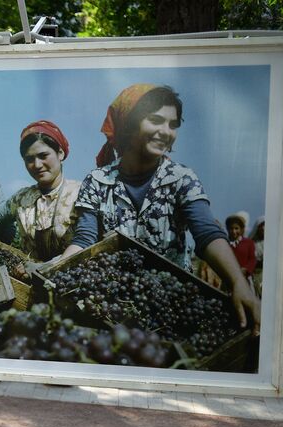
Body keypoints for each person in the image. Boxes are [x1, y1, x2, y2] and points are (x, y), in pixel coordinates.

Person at [64, 84, 261, 334]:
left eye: (173, 124)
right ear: (128, 122)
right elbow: (85, 239)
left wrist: (238, 283)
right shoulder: (97, 181)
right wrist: (57, 268)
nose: (166, 132)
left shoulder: (181, 178)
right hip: (114, 304)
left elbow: (207, 232)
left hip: (172, 307)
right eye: (156, 120)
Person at [0, 120, 81, 264]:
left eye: (43, 155)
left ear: (60, 153)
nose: (37, 165)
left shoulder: (81, 193)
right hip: (27, 282)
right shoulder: (21, 199)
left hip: (75, 279)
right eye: (29, 159)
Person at [225, 211, 256, 292]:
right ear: (228, 229)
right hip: (228, 278)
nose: (234, 231)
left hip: (245, 278)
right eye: (231, 228)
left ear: (241, 229)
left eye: (236, 228)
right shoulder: (225, 243)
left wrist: (246, 269)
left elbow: (252, 260)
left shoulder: (249, 243)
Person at [250, 216, 265, 297]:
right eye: (261, 226)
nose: (263, 228)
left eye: (265, 225)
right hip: (254, 274)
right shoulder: (252, 243)